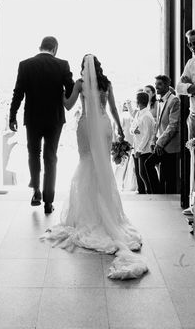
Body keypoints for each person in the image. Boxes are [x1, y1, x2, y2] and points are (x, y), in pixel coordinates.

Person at [41, 54, 148, 280]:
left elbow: (68, 105)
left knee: (86, 162)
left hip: (87, 125)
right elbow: (113, 109)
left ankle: (86, 213)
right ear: (99, 67)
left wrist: (60, 90)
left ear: (83, 68)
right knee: (102, 166)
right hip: (104, 124)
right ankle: (106, 212)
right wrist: (120, 129)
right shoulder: (106, 83)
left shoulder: (80, 84)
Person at [9, 36, 75, 214]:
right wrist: (62, 89)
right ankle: (48, 202)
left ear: (41, 47)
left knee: (33, 153)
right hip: (54, 118)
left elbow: (18, 92)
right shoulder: (62, 65)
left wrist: (12, 116)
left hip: (32, 117)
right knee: (50, 157)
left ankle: (36, 190)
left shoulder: (25, 64)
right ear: (55, 48)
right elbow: (70, 90)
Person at [144, 75, 181, 194]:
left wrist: (160, 143)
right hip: (161, 144)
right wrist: (154, 141)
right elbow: (158, 124)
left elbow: (173, 125)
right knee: (154, 168)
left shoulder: (174, 100)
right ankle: (158, 194)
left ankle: (159, 195)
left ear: (166, 85)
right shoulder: (160, 101)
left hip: (171, 145)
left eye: (159, 84)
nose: (156, 87)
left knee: (168, 178)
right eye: (156, 84)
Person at [130, 91, 157, 193]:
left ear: (138, 102)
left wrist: (140, 149)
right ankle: (142, 193)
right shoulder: (138, 114)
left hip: (144, 149)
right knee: (138, 173)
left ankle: (151, 192)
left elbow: (147, 135)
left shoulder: (146, 116)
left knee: (143, 173)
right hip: (136, 147)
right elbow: (132, 128)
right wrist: (133, 130)